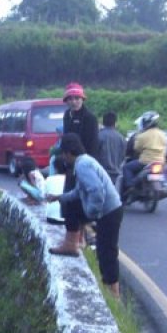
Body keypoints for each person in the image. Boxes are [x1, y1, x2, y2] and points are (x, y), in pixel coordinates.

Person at [47, 133, 123, 297]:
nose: (62, 158)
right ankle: (109, 288)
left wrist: (92, 214)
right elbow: (78, 192)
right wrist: (59, 198)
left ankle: (114, 295)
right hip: (108, 211)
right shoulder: (83, 162)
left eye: (62, 153)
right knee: (104, 250)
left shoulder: (82, 166)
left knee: (106, 251)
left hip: (109, 212)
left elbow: (96, 191)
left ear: (68, 153)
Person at [54, 82, 99, 251]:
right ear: (66, 101)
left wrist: (84, 167)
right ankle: (73, 239)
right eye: (71, 99)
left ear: (82, 99)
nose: (74, 101)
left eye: (77, 98)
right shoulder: (67, 116)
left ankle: (79, 240)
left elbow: (92, 146)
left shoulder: (90, 119)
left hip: (84, 164)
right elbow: (66, 140)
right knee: (69, 201)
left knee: (80, 202)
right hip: (70, 164)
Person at [121, 111, 167, 195]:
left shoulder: (143, 135)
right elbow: (165, 147)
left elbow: (136, 148)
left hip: (145, 161)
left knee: (126, 168)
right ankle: (162, 186)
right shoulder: (163, 134)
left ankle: (130, 185)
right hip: (160, 161)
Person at [97, 112, 126, 183]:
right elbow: (123, 156)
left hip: (101, 174)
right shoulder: (121, 138)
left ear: (103, 122)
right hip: (116, 176)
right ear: (115, 123)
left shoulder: (98, 136)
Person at [45, 156, 67, 224]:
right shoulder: (72, 180)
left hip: (50, 218)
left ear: (55, 168)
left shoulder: (49, 179)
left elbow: (44, 196)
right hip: (68, 219)